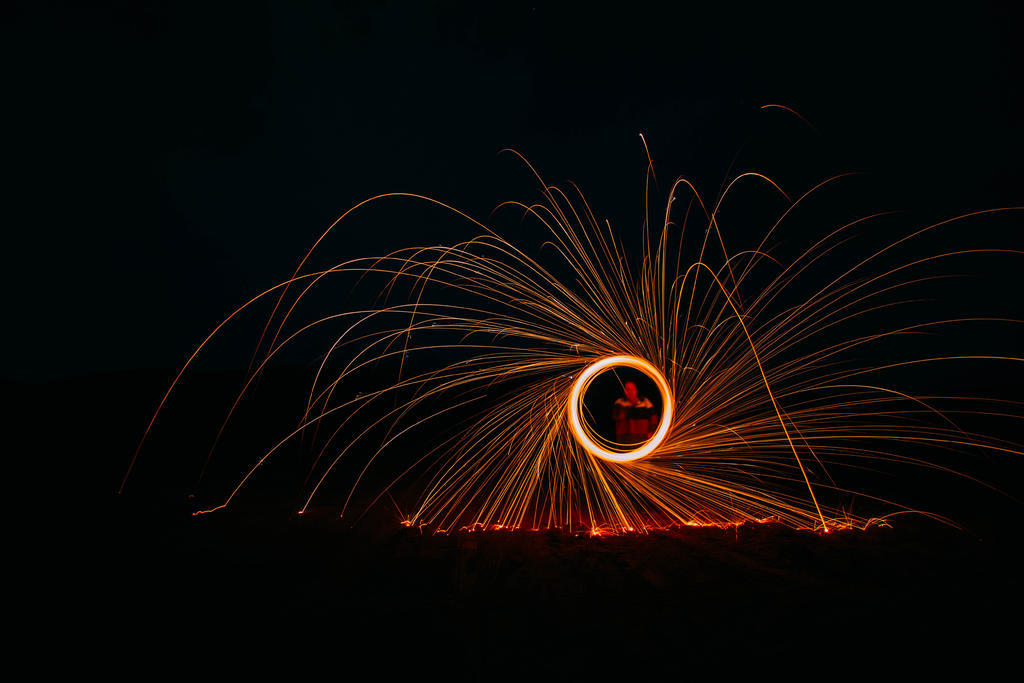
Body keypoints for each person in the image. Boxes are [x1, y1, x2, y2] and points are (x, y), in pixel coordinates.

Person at [612, 381, 659, 445]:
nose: (630, 392)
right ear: (625, 391)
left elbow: (654, 418)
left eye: (632, 389)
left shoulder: (645, 402)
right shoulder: (619, 402)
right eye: (628, 389)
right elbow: (616, 417)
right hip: (623, 439)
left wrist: (651, 431)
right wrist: (631, 405)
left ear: (636, 390)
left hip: (641, 438)